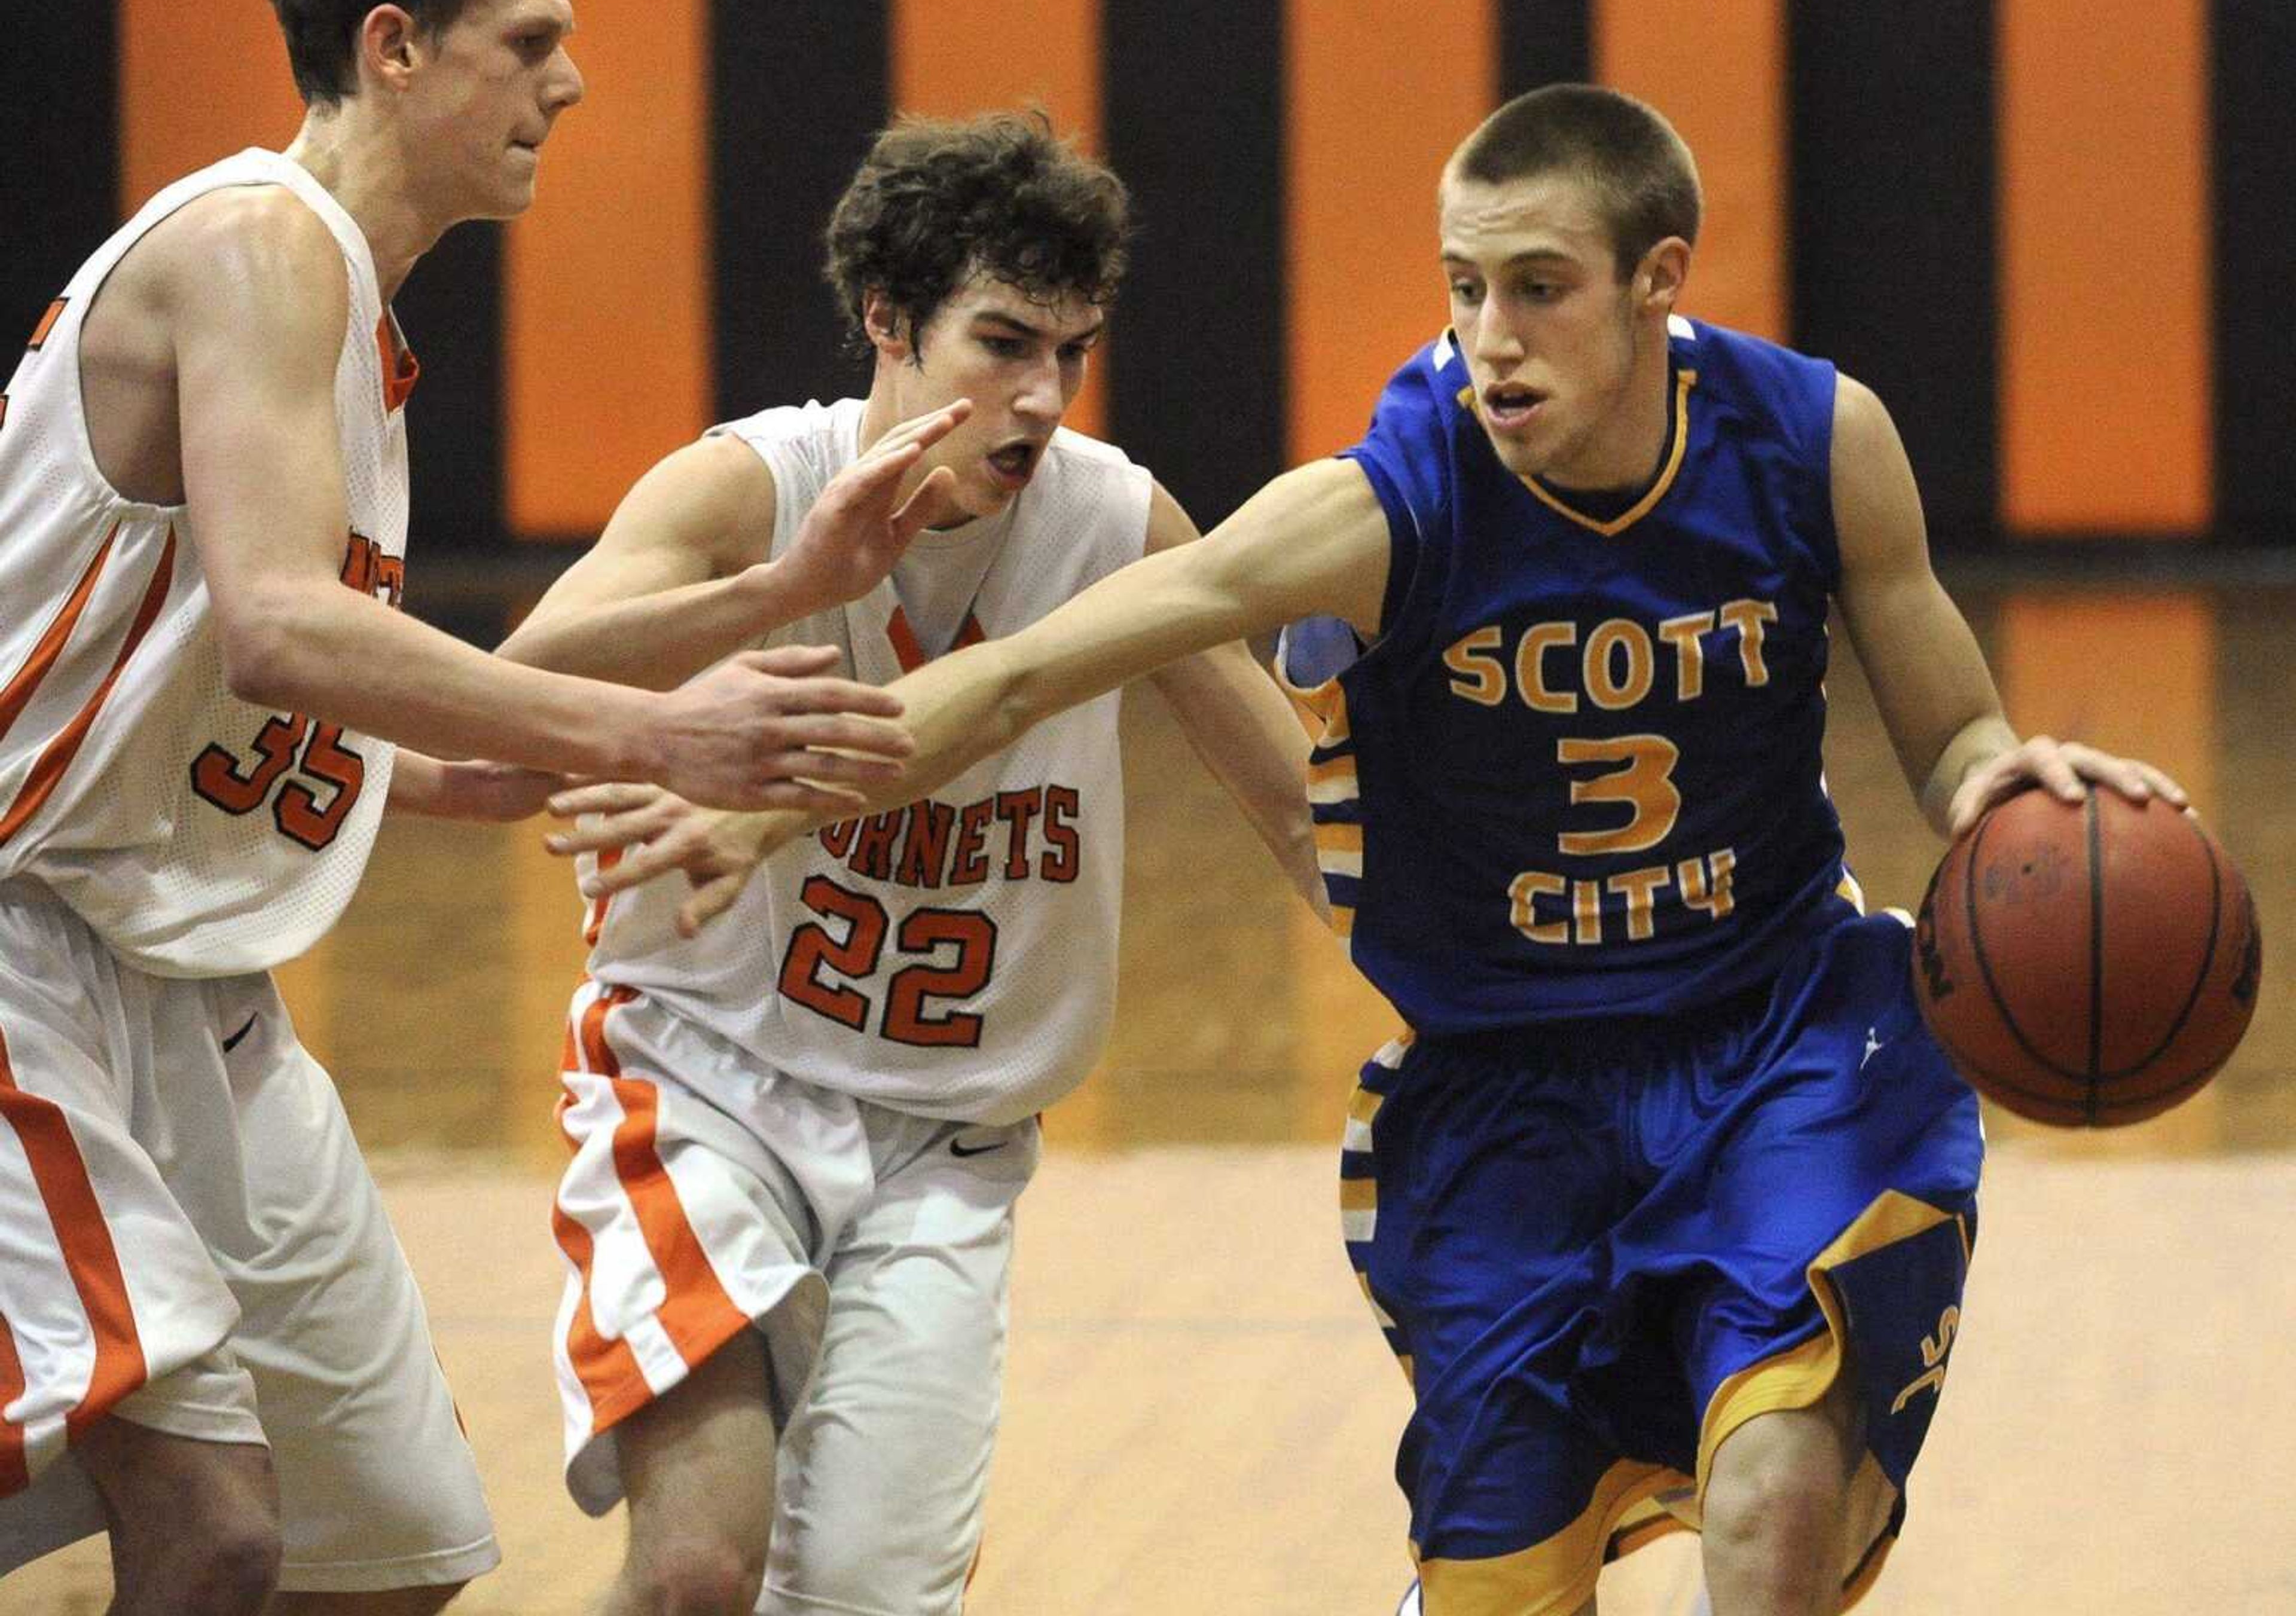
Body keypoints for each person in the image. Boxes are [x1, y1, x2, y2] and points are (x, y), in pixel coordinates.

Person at [562, 85, 2189, 1616]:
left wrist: (2003, 786)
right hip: (1507, 1094)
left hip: (1776, 1036)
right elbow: (1008, 682)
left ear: (1658, 281)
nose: (1492, 337)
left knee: (1772, 1519)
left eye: (1540, 287)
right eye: (1465, 287)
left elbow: (1952, 729)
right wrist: (756, 791)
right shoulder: (1384, 501)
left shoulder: (1820, 441)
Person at [0, 0, 927, 1610]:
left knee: (393, 1544)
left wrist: (764, 591)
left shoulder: (340, 306)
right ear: (392, 47)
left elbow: (271, 689)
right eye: (526, 39)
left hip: (180, 982)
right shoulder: (267, 244)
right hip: (24, 950)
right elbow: (285, 630)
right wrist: (653, 736)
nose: (568, 80)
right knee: (215, 1533)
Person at [494, 111, 1321, 1616]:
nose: (1039, 397)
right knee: (696, 1562)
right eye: (1000, 343)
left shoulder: (1118, 522)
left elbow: (1292, 802)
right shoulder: (745, 487)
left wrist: (1492, 983)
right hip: (704, 1078)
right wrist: (783, 588)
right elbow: (518, 676)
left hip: (948, 1138)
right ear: (887, 320)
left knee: (868, 1597)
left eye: (1068, 351)